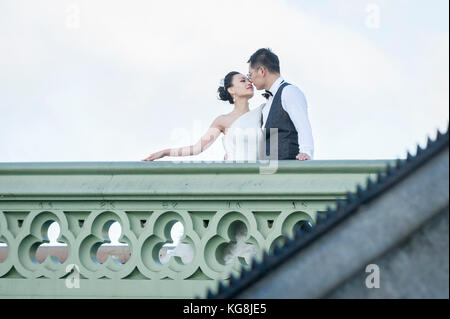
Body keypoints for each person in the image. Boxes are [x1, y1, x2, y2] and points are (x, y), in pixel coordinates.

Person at [141, 71, 264, 161]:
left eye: (248, 80)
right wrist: (165, 152)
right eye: (243, 81)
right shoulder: (223, 120)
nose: (249, 83)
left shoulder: (262, 112)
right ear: (231, 90)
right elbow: (196, 148)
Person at [247, 48, 314, 160]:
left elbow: (303, 125)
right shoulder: (267, 105)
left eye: (250, 75)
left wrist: (306, 152)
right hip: (269, 171)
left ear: (262, 71)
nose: (250, 80)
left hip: (288, 169)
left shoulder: (289, 91)